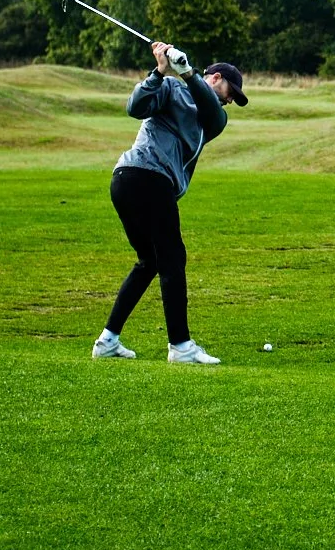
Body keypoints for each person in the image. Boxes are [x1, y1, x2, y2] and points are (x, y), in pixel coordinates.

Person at [91, 40, 249, 365]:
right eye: (231, 91)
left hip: (128, 180)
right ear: (216, 77)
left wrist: (188, 72)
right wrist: (159, 72)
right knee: (173, 259)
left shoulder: (212, 116)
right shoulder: (170, 90)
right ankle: (180, 346)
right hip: (145, 177)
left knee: (150, 261)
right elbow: (134, 107)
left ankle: (108, 340)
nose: (232, 99)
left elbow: (213, 116)